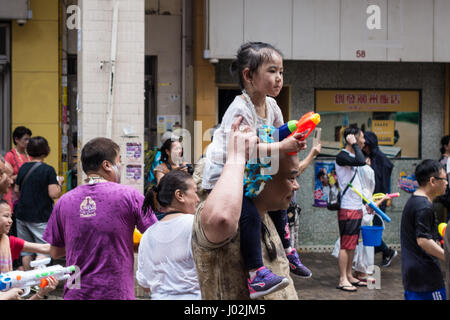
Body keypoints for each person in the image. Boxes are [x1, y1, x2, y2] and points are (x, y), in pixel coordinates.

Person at [201, 42, 307, 298]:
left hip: (251, 172)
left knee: (279, 203)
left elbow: (278, 133)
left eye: (281, 71)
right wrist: (284, 144)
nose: (279, 78)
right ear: (249, 75)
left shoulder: (272, 106)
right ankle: (255, 273)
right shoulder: (240, 108)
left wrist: (296, 132)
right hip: (225, 175)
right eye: (272, 71)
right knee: (248, 210)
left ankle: (287, 249)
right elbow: (248, 148)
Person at [192, 116, 298, 300]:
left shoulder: (265, 213)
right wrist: (238, 156)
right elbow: (221, 219)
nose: (296, 186)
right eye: (291, 178)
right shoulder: (217, 217)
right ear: (260, 176)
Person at [43, 137, 157, 300]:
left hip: (76, 291)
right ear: (107, 165)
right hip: (116, 293)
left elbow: (55, 252)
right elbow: (156, 238)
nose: (121, 166)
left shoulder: (64, 201)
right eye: (119, 161)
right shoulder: (130, 196)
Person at [136, 170, 201, 300]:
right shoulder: (195, 224)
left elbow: (144, 284)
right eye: (195, 192)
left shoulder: (148, 235)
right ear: (180, 195)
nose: (198, 199)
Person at [13, 136, 63, 271]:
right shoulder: (48, 170)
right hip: (40, 216)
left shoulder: (23, 167)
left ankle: (28, 284)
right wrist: (60, 183)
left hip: (22, 215)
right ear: (46, 151)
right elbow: (53, 194)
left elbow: (17, 189)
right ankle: (38, 283)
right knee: (44, 249)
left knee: (26, 250)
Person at [400, 159, 447, 300]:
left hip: (413, 274)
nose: (447, 183)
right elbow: (423, 241)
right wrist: (447, 257)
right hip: (426, 277)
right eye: (444, 179)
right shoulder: (424, 206)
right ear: (432, 181)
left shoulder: (414, 200)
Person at [335, 127, 367, 292]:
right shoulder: (342, 156)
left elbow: (361, 159)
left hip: (356, 206)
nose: (363, 141)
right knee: (345, 245)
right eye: (361, 138)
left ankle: (349, 275)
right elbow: (362, 161)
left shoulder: (352, 156)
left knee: (352, 244)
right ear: (351, 139)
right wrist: (353, 144)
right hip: (347, 208)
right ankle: (342, 279)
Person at [363, 131, 397, 267]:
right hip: (374, 199)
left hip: (377, 199)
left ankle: (387, 251)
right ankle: (385, 251)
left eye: (364, 143)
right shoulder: (373, 156)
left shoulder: (379, 159)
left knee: (373, 230)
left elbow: (378, 181)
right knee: (372, 229)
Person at [3, 126, 32, 210]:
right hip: (13, 195)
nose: (28, 142)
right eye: (25, 139)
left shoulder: (30, 155)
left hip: (27, 194)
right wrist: (21, 175)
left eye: (29, 139)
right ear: (16, 139)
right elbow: (4, 178)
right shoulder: (10, 156)